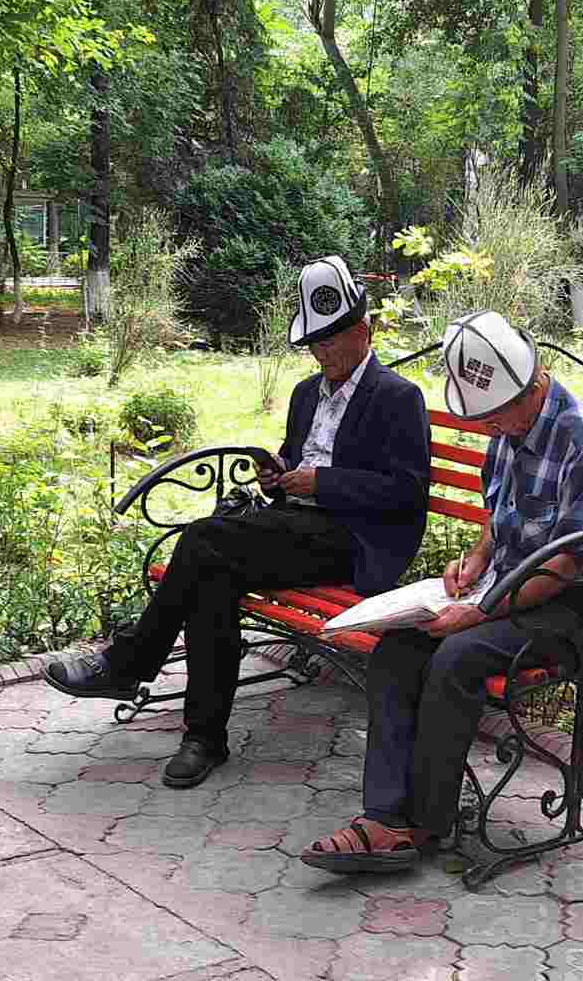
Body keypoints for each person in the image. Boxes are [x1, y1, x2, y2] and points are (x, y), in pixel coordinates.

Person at [45, 256, 431, 789]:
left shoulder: (397, 397)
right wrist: (279, 474)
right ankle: (203, 738)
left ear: (363, 331)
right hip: (293, 527)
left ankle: (131, 661)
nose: (322, 352)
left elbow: (407, 494)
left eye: (331, 340)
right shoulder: (305, 394)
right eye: (314, 343)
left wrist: (322, 483)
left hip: (353, 541)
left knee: (203, 540)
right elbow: (297, 457)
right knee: (213, 579)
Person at [302, 310, 583, 874]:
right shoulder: (509, 430)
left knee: (457, 655)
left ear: (532, 385)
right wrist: (475, 561)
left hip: (580, 608)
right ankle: (384, 817)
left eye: (494, 416)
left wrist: (479, 609)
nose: (488, 429)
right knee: (399, 648)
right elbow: (497, 514)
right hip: (509, 586)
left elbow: (565, 564)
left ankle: (426, 825)